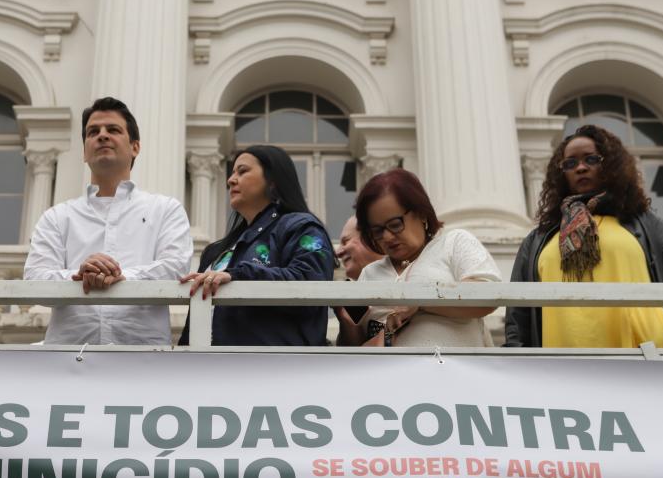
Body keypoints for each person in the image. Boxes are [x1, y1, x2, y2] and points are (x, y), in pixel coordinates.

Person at [24, 96, 192, 345]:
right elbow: (35, 280)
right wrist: (81, 275)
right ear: (84, 152)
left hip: (144, 356)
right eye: (93, 132)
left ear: (135, 147)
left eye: (113, 130)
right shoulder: (57, 217)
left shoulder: (165, 209)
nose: (102, 135)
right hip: (68, 357)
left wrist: (119, 276)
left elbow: (176, 268)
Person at [505, 124, 663, 348]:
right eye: (570, 163)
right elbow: (518, 314)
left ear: (610, 164)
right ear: (561, 173)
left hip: (643, 357)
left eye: (591, 159)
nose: (581, 168)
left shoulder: (644, 222)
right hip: (562, 361)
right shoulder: (538, 239)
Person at [179, 145, 335, 346]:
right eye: (232, 173)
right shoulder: (215, 252)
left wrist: (239, 275)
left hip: (276, 362)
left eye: (242, 171)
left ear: (273, 180)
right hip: (205, 362)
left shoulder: (301, 227)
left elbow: (311, 286)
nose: (230, 180)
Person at [337, 169, 501, 347]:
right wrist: (347, 322)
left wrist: (421, 301)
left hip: (452, 363)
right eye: (377, 231)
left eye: (395, 225)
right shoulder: (370, 273)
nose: (387, 237)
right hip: (389, 365)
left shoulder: (453, 243)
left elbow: (488, 296)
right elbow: (352, 348)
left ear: (421, 213)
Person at [333, 215, 383, 344]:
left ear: (370, 237)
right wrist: (348, 324)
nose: (338, 252)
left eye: (345, 241)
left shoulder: (416, 272)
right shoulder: (352, 295)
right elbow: (351, 352)